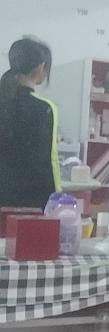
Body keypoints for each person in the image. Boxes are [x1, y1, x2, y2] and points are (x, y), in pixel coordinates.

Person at [0, 37, 61, 209]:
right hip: (32, 202)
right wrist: (56, 201)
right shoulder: (45, 108)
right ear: (41, 67)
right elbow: (51, 160)